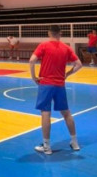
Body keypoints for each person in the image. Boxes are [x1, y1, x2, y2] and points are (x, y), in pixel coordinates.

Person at [29, 25, 83, 154]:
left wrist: (34, 77)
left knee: (45, 113)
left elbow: (32, 61)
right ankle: (74, 142)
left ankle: (47, 146)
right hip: (60, 84)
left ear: (49, 33)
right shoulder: (66, 48)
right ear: (60, 33)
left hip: (46, 83)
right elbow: (79, 64)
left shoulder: (44, 45)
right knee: (66, 113)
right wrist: (67, 74)